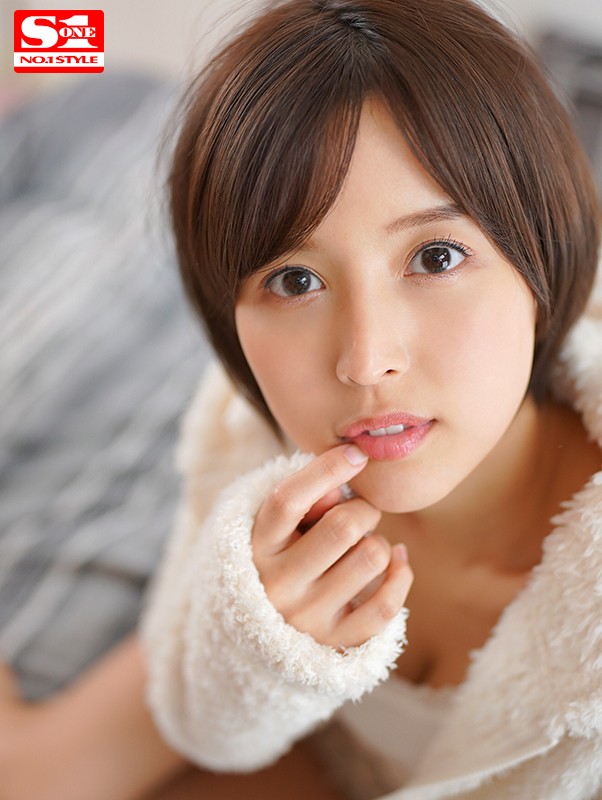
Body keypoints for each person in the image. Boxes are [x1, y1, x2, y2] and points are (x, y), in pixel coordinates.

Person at [140, 0, 602, 797]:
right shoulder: (246, 446)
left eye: (436, 257)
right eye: (295, 280)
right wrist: (262, 642)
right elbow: (198, 721)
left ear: (541, 261)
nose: (365, 361)